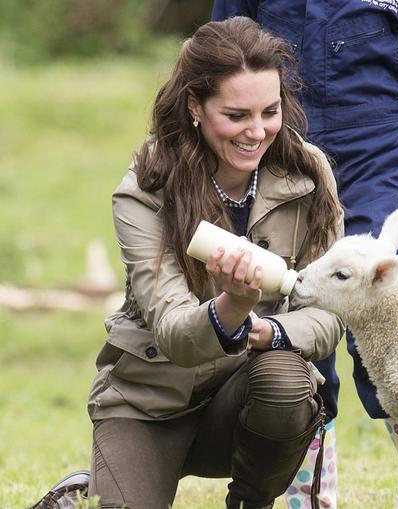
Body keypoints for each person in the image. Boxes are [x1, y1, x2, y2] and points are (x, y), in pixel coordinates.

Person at [29, 17, 345, 509]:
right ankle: (85, 490)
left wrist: (273, 332)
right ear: (195, 106)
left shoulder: (308, 173)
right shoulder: (147, 185)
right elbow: (174, 330)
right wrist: (233, 307)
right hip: (149, 400)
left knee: (285, 378)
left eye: (270, 111)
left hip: (246, 398)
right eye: (236, 115)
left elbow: (331, 309)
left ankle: (250, 502)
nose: (257, 131)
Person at [212, 2, 398, 508]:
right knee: (292, 323)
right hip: (282, 153)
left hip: (379, 153)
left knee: (389, 318)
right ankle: (308, 498)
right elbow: (222, 56)